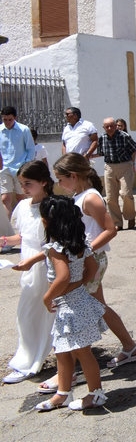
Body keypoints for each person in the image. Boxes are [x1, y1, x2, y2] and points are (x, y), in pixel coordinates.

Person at [53, 153, 136, 376]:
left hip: (91, 261)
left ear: (73, 176)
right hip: (87, 260)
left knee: (77, 307)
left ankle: (71, 366)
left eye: (60, 179)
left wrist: (86, 252)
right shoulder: (80, 195)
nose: (59, 184)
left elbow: (110, 229)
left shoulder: (89, 198)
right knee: (98, 306)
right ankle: (129, 347)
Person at [32, 195, 109, 411]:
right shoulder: (79, 243)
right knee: (62, 351)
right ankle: (63, 393)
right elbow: (92, 269)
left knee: (82, 352)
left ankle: (96, 393)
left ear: (48, 221)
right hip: (77, 302)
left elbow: (63, 277)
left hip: (70, 308)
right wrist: (80, 284)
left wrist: (47, 298)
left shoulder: (55, 249)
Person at [4, 161, 56, 385]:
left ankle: (31, 361)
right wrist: (5, 240)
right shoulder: (24, 206)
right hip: (29, 266)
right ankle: (29, 356)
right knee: (27, 314)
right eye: (22, 183)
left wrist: (33, 261)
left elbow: (55, 245)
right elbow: (24, 237)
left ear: (43, 182)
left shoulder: (52, 207)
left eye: (29, 183)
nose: (24, 188)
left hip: (45, 266)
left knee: (38, 314)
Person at [96, 117, 136, 231]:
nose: (110, 128)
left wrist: (132, 163)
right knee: (110, 197)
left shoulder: (124, 136)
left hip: (125, 166)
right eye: (107, 126)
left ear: (116, 126)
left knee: (126, 193)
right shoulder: (102, 138)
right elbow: (101, 153)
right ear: (103, 128)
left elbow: (134, 149)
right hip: (109, 167)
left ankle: (130, 217)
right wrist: (87, 155)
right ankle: (117, 223)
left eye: (112, 126)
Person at [1, 106, 36, 216]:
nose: (7, 122)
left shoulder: (24, 129)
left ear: (15, 118)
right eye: (4, 119)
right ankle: (8, 229)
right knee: (5, 198)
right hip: (4, 168)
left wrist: (26, 165)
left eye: (10, 119)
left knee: (21, 198)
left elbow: (31, 149)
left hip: (20, 168)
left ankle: (23, 222)